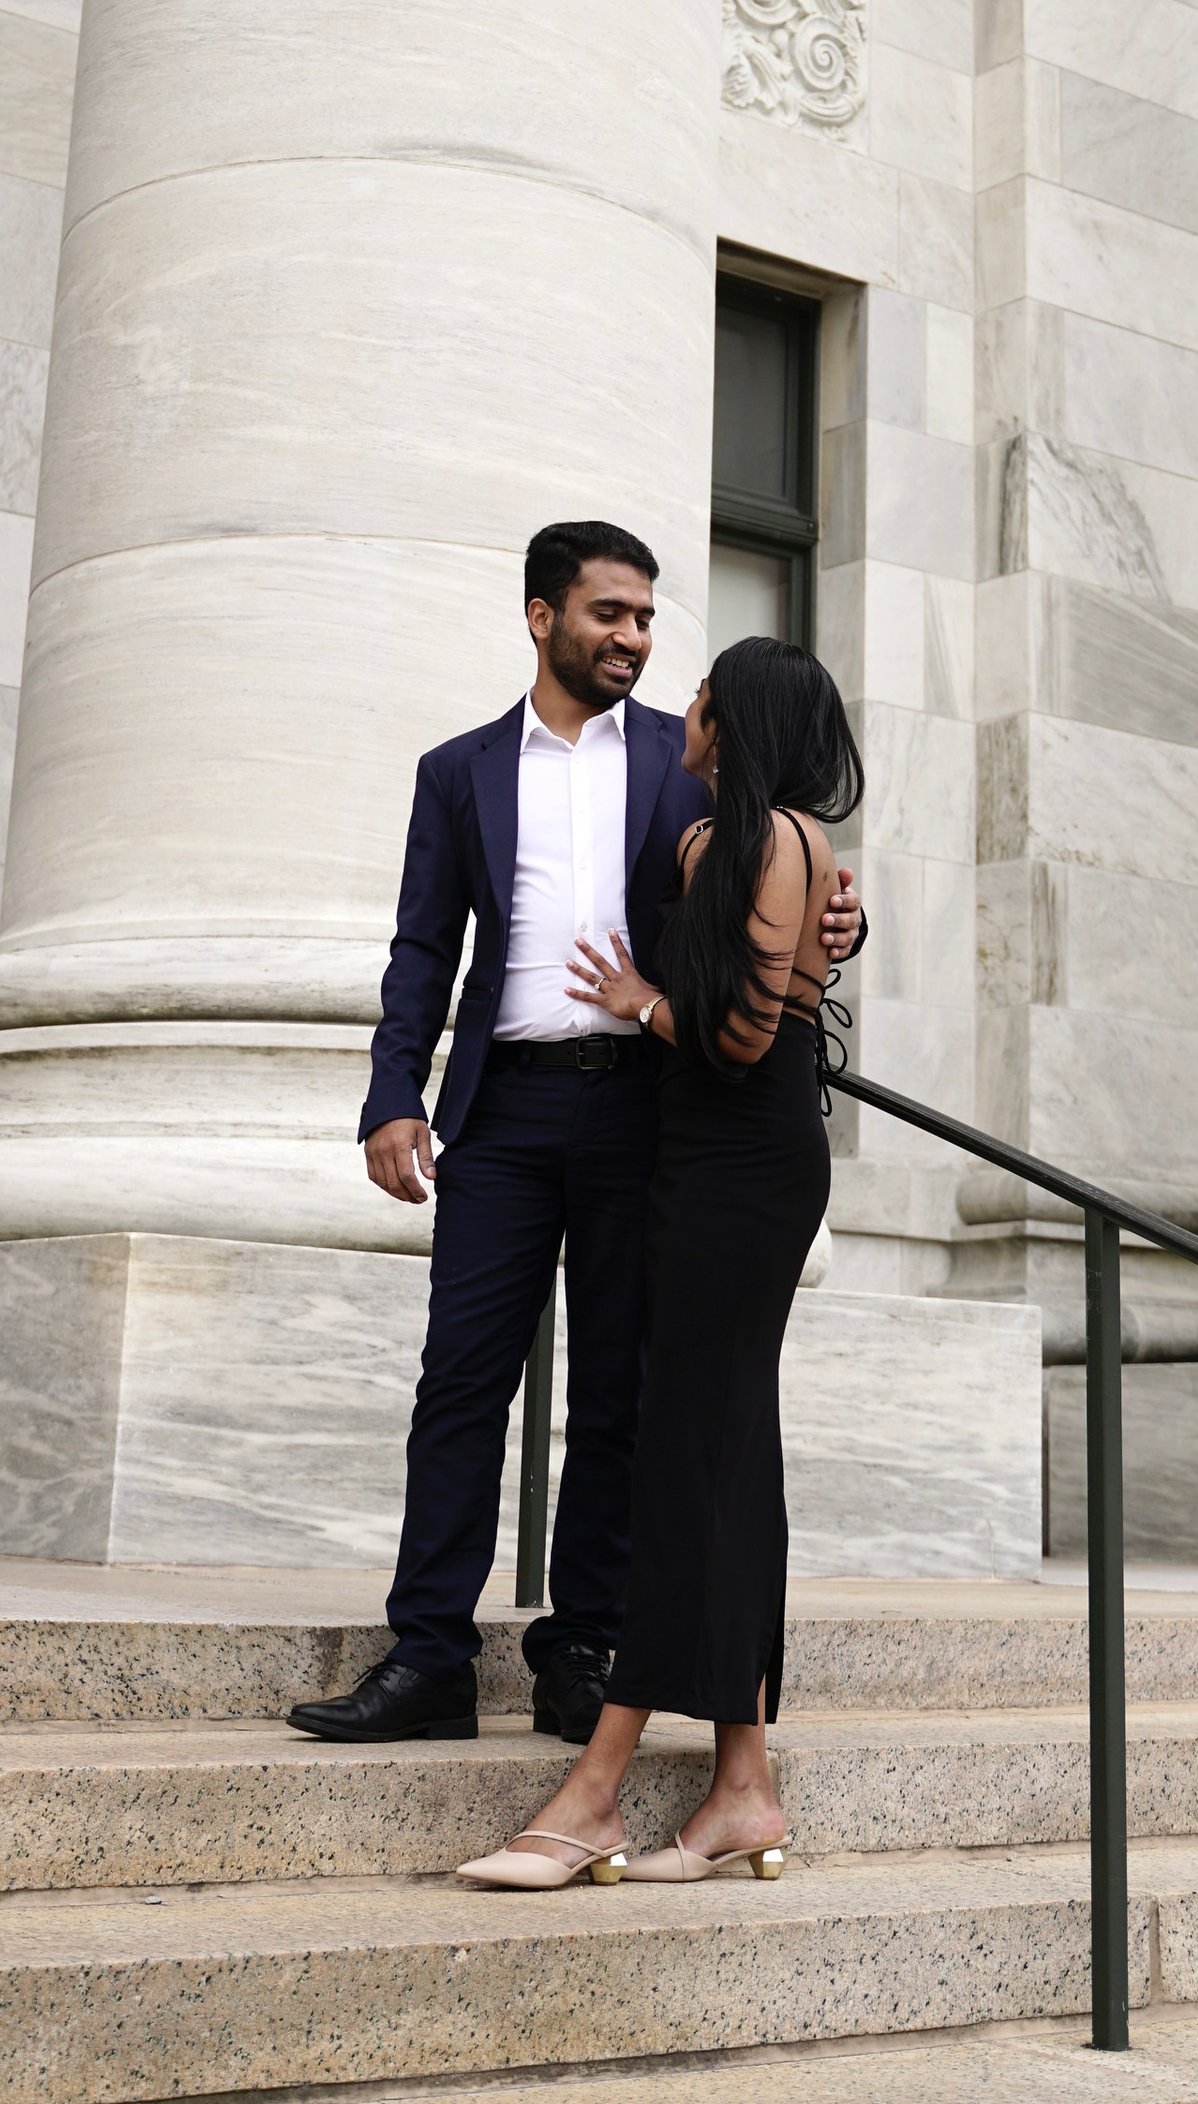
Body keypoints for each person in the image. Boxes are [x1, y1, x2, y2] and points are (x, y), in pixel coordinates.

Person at [286, 530, 860, 1750]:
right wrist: (395, 1095)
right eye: (609, 613)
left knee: (616, 1392)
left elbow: (777, 871)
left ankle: (580, 1650)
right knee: (461, 1380)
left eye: (646, 618)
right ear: (540, 614)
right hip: (501, 1114)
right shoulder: (459, 770)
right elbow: (422, 946)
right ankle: (431, 1652)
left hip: (643, 1108)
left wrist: (837, 916)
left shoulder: (686, 757)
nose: (634, 639)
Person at [454, 634, 862, 1888]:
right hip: (701, 1164)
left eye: (700, 692)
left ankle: (596, 1792)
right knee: (724, 1453)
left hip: (745, 1166)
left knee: (689, 1457)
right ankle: (740, 1786)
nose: (679, 704)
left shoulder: (778, 839)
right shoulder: (724, 838)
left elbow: (740, 1034)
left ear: (730, 719)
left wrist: (642, 1002)